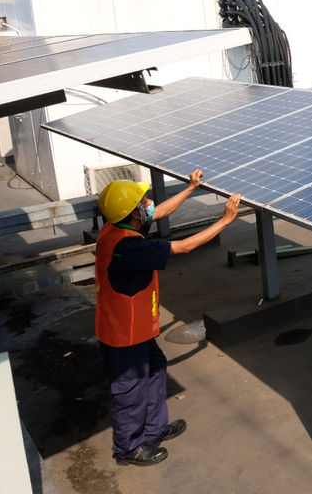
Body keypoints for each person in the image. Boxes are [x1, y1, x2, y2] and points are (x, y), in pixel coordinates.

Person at [94, 169, 242, 466]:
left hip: (136, 328)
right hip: (124, 334)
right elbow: (184, 246)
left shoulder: (116, 227)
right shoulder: (129, 247)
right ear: (134, 214)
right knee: (131, 391)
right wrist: (225, 220)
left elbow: (157, 213)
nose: (149, 203)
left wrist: (190, 189)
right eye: (143, 201)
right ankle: (128, 449)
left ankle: (155, 430)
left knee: (155, 371)